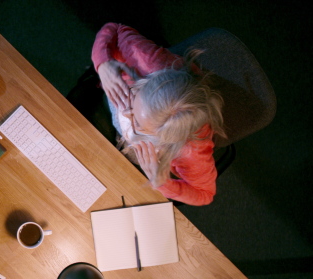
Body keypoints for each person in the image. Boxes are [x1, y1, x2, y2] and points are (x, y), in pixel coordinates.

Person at [91, 23, 226, 206]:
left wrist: (163, 184)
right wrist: (103, 63)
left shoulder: (191, 151)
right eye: (136, 97)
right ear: (148, 81)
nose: (127, 112)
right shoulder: (148, 62)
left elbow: (205, 194)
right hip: (114, 102)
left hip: (143, 157)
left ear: (166, 139)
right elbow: (114, 28)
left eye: (138, 123)